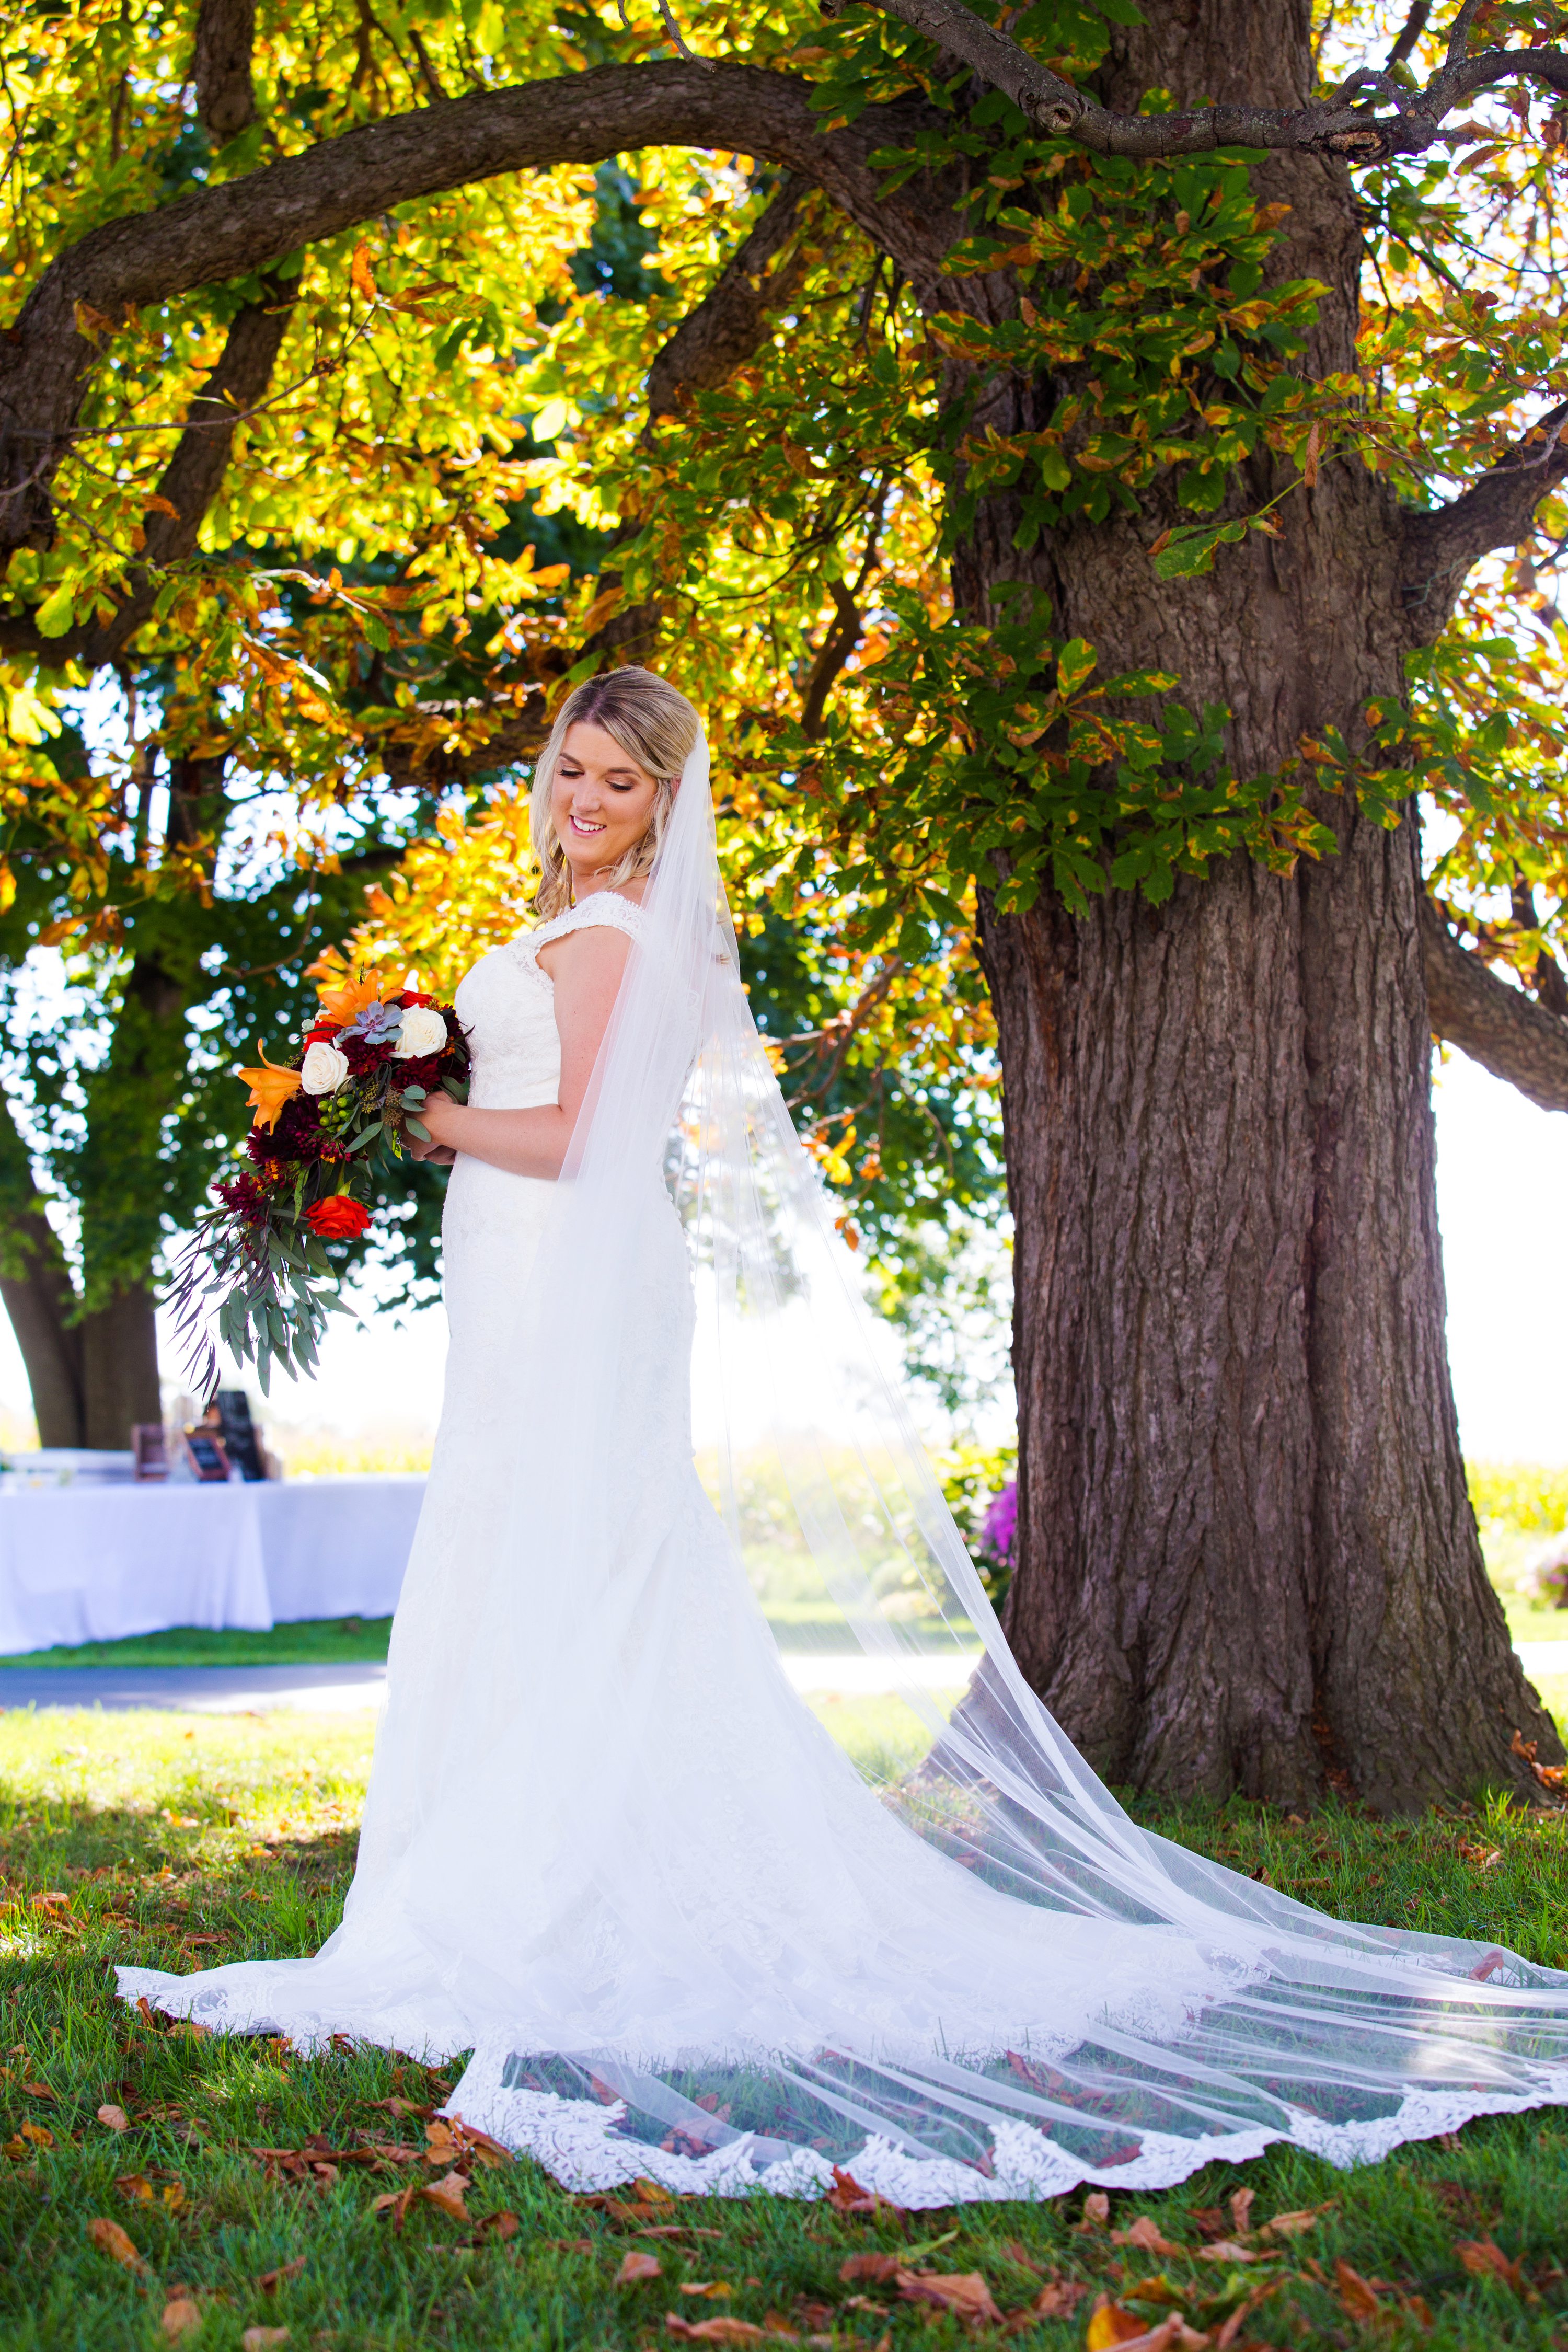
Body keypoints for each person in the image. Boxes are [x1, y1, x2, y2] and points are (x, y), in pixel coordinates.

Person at [121, 667, 1568, 2207]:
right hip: (526, 1274)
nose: (583, 801)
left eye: (619, 783)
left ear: (664, 806)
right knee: (537, 1548)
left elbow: (579, 1135)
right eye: (570, 770)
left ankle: (543, 1885)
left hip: (567, 1271)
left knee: (573, 1553)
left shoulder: (611, 937)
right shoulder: (573, 927)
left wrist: (427, 1121)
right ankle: (511, 1854)